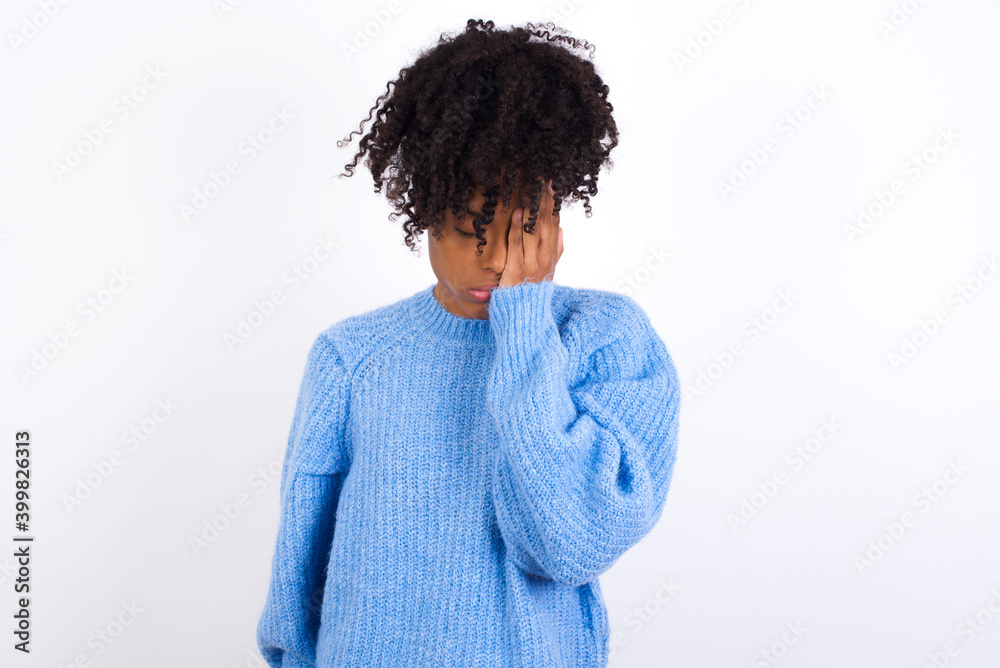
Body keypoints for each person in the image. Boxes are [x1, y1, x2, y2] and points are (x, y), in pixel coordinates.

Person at [256, 18, 680, 668]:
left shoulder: (608, 342)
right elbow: (296, 586)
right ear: (421, 212)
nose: (494, 258)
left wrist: (523, 320)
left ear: (555, 217)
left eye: (519, 226)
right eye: (466, 227)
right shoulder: (352, 358)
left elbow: (568, 543)